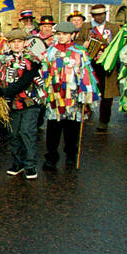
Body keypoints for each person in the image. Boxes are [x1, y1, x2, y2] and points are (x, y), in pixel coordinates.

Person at [39, 21, 99, 170]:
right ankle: (51, 157)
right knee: (53, 127)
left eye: (65, 34)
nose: (61, 37)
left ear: (73, 35)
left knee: (72, 128)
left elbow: (86, 73)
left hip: (73, 96)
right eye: (58, 34)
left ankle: (71, 155)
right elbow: (44, 72)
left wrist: (86, 91)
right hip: (55, 96)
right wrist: (44, 91)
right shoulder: (50, 52)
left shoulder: (80, 52)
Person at [0, 27, 45, 178]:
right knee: (13, 134)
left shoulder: (33, 60)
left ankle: (30, 165)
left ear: (25, 43)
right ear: (9, 44)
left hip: (30, 102)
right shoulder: (3, 59)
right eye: (13, 42)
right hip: (12, 103)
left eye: (20, 41)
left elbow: (23, 83)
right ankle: (18, 163)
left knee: (26, 131)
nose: (17, 45)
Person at [85, 5, 118, 132]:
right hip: (90, 65)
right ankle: (84, 114)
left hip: (107, 67)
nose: (100, 17)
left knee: (107, 95)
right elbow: (78, 42)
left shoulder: (113, 27)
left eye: (102, 14)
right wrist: (84, 44)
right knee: (86, 90)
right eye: (97, 15)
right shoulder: (86, 27)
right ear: (92, 16)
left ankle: (104, 121)